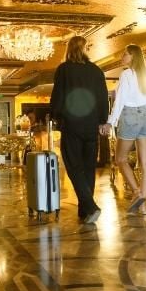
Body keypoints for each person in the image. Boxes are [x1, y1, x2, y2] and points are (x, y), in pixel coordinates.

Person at [51, 36, 109, 224]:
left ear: (69, 49)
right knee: (88, 168)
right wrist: (103, 120)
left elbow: (58, 95)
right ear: (85, 49)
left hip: (72, 124)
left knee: (74, 166)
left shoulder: (64, 69)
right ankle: (85, 211)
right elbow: (103, 98)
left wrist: (55, 115)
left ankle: (90, 207)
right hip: (91, 125)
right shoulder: (96, 70)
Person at [101, 44, 146, 216]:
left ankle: (137, 192)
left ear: (133, 57)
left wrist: (110, 122)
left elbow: (120, 101)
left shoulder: (126, 74)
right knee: (145, 164)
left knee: (120, 159)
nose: (122, 57)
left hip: (130, 116)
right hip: (145, 117)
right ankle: (143, 206)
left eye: (125, 54)